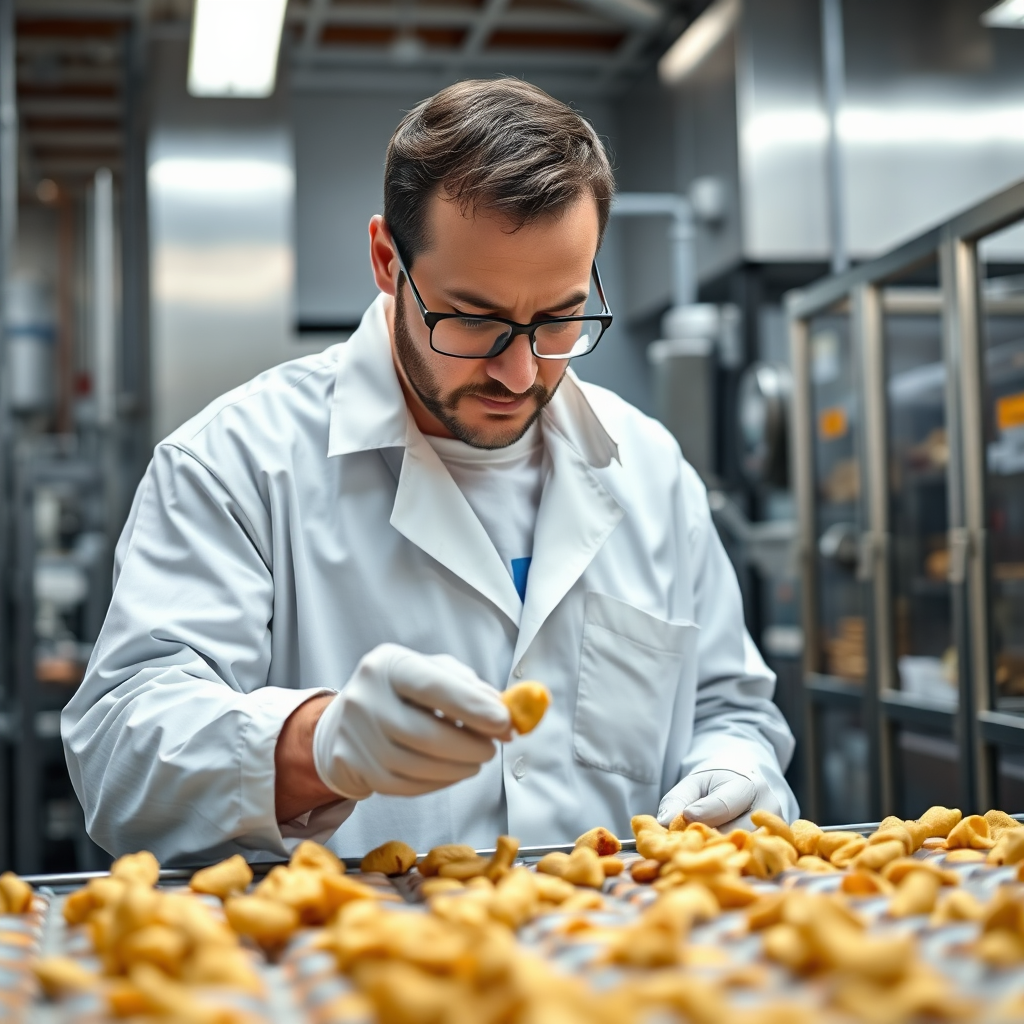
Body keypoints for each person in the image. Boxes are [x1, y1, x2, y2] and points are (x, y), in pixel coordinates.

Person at [63, 79, 796, 865]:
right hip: (345, 971)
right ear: (387, 260)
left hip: (610, 965)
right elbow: (119, 754)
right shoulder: (236, 464)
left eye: (558, 319)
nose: (519, 372)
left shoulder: (651, 470)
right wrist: (313, 745)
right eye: (474, 318)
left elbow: (729, 704)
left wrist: (733, 768)